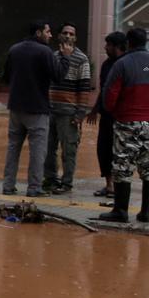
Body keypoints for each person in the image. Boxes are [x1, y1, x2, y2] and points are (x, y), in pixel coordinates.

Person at [99, 27, 149, 223]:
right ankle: (145, 212)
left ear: (128, 43)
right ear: (145, 42)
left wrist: (115, 112)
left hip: (126, 123)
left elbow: (109, 96)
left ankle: (121, 211)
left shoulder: (121, 65)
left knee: (123, 166)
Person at [0, 21, 57, 196]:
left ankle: (8, 186)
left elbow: (6, 77)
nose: (50, 35)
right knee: (38, 151)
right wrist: (66, 59)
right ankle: (34, 188)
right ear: (39, 33)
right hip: (37, 108)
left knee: (13, 148)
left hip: (16, 107)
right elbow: (57, 76)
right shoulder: (45, 52)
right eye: (48, 32)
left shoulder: (14, 49)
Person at [42, 23, 93, 194]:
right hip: (50, 110)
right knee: (48, 149)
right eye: (65, 33)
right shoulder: (53, 56)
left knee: (68, 150)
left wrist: (80, 113)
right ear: (59, 36)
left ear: (75, 38)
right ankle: (50, 179)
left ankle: (66, 183)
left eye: (72, 34)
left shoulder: (81, 59)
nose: (68, 36)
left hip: (68, 113)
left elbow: (84, 88)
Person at [91, 31, 127, 198]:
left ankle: (119, 187)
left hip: (122, 116)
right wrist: (95, 109)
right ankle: (109, 185)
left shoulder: (130, 63)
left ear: (117, 46)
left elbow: (146, 68)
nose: (105, 47)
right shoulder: (106, 65)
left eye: (108, 45)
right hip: (106, 115)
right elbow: (103, 89)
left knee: (119, 151)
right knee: (103, 149)